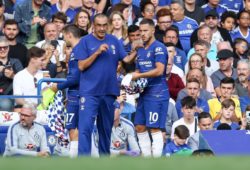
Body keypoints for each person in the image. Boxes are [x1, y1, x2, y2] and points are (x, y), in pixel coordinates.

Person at [75, 14, 139, 156]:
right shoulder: (85, 41)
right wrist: (96, 53)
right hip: (89, 93)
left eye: (105, 25)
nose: (102, 28)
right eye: (99, 25)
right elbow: (81, 66)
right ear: (93, 25)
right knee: (85, 128)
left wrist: (136, 50)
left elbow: (126, 59)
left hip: (109, 92)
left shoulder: (114, 40)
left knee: (105, 130)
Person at [131, 18, 169, 157]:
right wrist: (129, 78)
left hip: (157, 93)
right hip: (143, 94)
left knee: (154, 127)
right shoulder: (140, 50)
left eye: (145, 30)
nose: (142, 34)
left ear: (153, 30)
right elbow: (137, 71)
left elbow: (159, 70)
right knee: (139, 126)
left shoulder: (159, 47)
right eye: (140, 31)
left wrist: (139, 76)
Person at [49, 24, 82, 158]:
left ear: (69, 35)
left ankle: (75, 161)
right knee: (73, 128)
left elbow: (75, 78)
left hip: (79, 95)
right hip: (75, 95)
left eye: (64, 37)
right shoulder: (82, 49)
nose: (64, 41)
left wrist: (58, 87)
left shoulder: (78, 51)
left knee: (76, 129)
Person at [110, 90, 140, 157]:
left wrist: (133, 153)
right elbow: (97, 152)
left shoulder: (128, 125)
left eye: (117, 107)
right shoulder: (99, 125)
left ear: (121, 109)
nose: (114, 110)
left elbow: (135, 150)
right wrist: (121, 153)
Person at [0, 36, 23, 111]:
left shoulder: (15, 62)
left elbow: (24, 79)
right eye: (0, 48)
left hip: (13, 95)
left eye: (5, 47)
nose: (2, 50)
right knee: (5, 104)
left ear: (8, 48)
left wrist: (13, 76)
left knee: (6, 104)